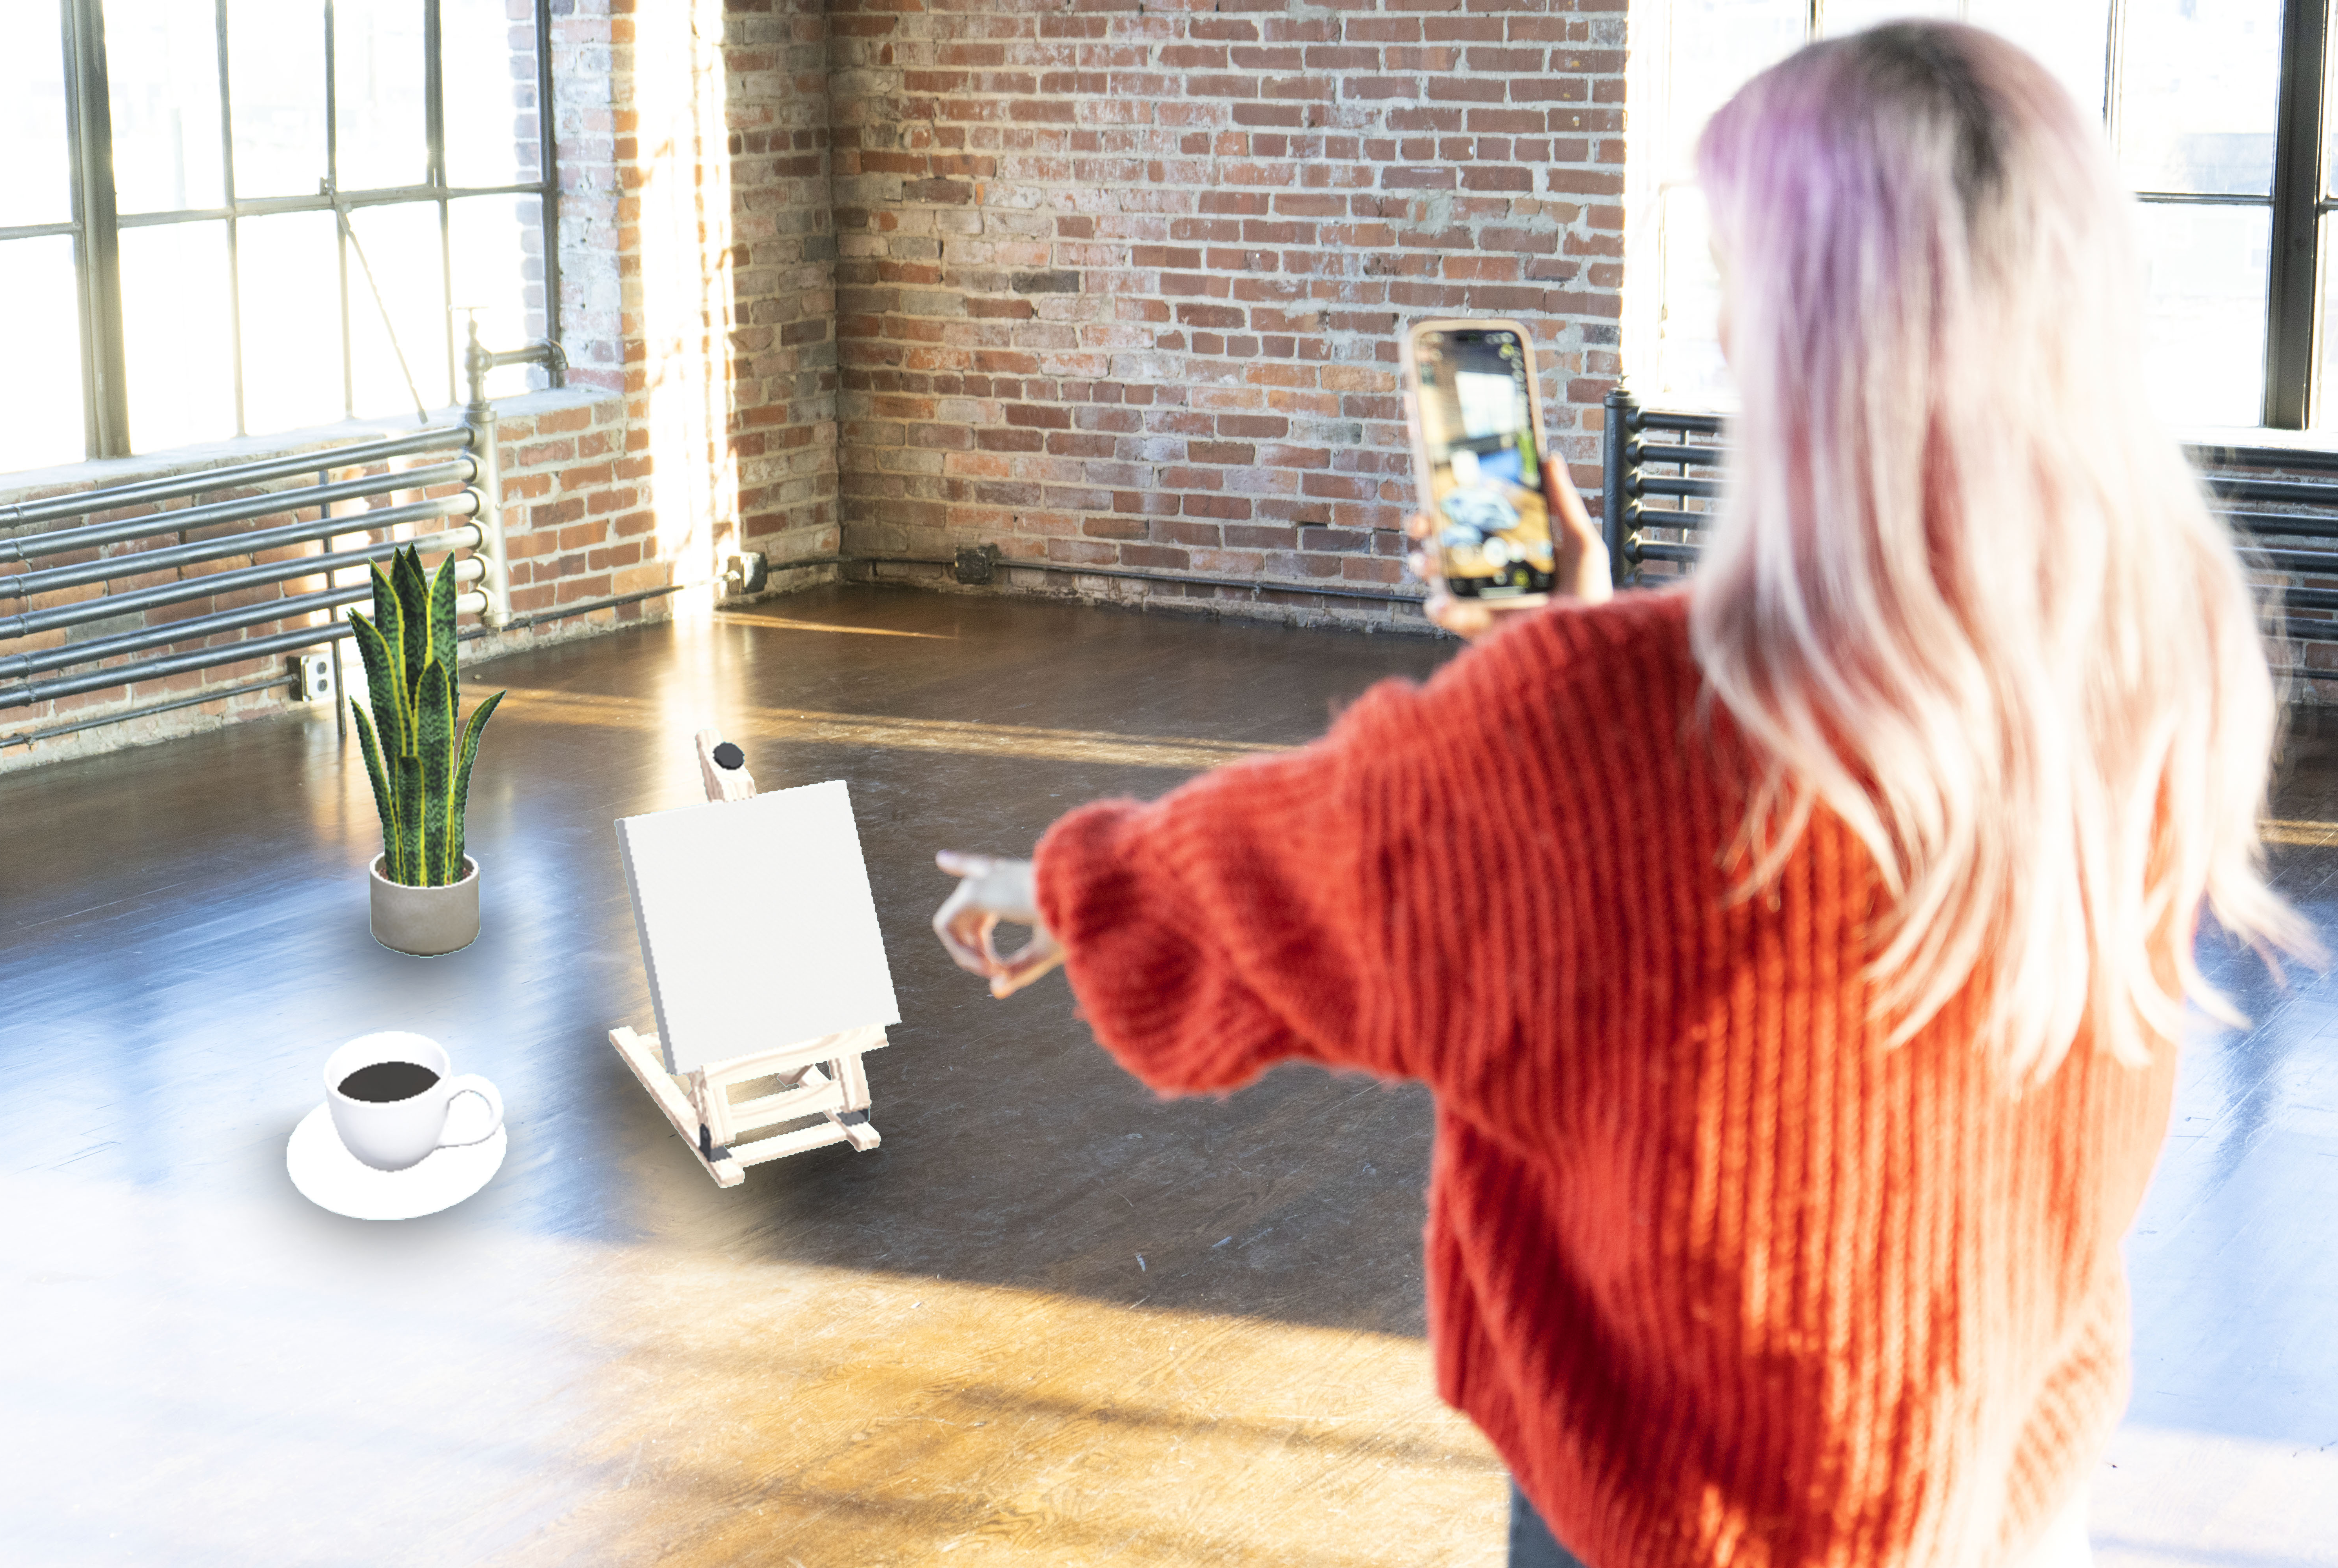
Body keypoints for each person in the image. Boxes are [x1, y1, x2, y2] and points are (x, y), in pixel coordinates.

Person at [932, 22, 2312, 1568]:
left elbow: (1305, 874)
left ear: (1810, 333)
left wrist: (1063, 884)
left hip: (1669, 1514)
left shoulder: (1597, 718)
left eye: (1737, 278)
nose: (1721, 331)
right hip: (1993, 1482)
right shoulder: (2142, 674)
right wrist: (1570, 642)